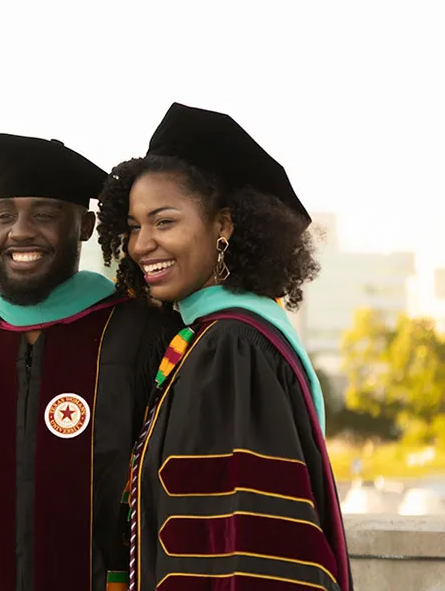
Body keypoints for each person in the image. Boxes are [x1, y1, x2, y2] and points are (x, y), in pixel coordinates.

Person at [0, 133, 181, 591]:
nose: (19, 231)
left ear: (85, 226)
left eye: (45, 214)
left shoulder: (147, 337)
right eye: (4, 215)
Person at [97, 103, 351, 591]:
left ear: (225, 227)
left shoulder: (231, 349)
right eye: (133, 226)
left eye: (164, 222)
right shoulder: (213, 337)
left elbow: (241, 545)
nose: (140, 244)